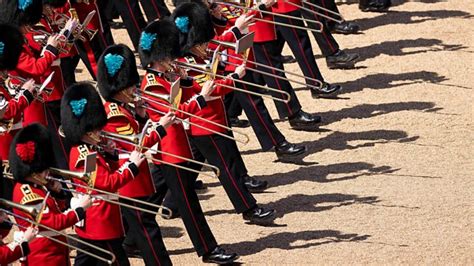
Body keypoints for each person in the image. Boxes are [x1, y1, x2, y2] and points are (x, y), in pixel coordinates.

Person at [139, 18, 239, 264]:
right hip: (169, 148)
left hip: (176, 146)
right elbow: (174, 114)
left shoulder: (168, 74)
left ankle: (131, 238)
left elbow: (189, 94)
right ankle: (208, 249)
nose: (172, 58)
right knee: (189, 204)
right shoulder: (151, 85)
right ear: (158, 56)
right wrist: (201, 99)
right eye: (168, 55)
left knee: (152, 198)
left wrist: (186, 81)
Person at [97, 43, 175, 265]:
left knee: (139, 227)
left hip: (136, 179)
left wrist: (141, 116)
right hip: (129, 182)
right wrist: (161, 128)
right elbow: (135, 146)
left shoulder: (124, 109)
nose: (134, 89)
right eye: (130, 86)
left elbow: (135, 136)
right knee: (148, 232)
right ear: (120, 89)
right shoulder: (114, 114)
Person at [61, 82, 146, 265]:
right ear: (87, 130)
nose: (101, 131)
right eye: (97, 129)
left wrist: (111, 156)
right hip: (100, 221)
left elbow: (105, 173)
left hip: (98, 220)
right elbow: (106, 183)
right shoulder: (86, 155)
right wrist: (132, 167)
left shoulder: (89, 149)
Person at [9, 123, 92, 265]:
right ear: (33, 171)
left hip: (53, 250)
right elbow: (51, 222)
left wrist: (58, 194)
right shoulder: (27, 193)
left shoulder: (36, 186)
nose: (48, 173)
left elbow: (53, 209)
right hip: (44, 255)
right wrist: (78, 211)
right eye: (44, 170)